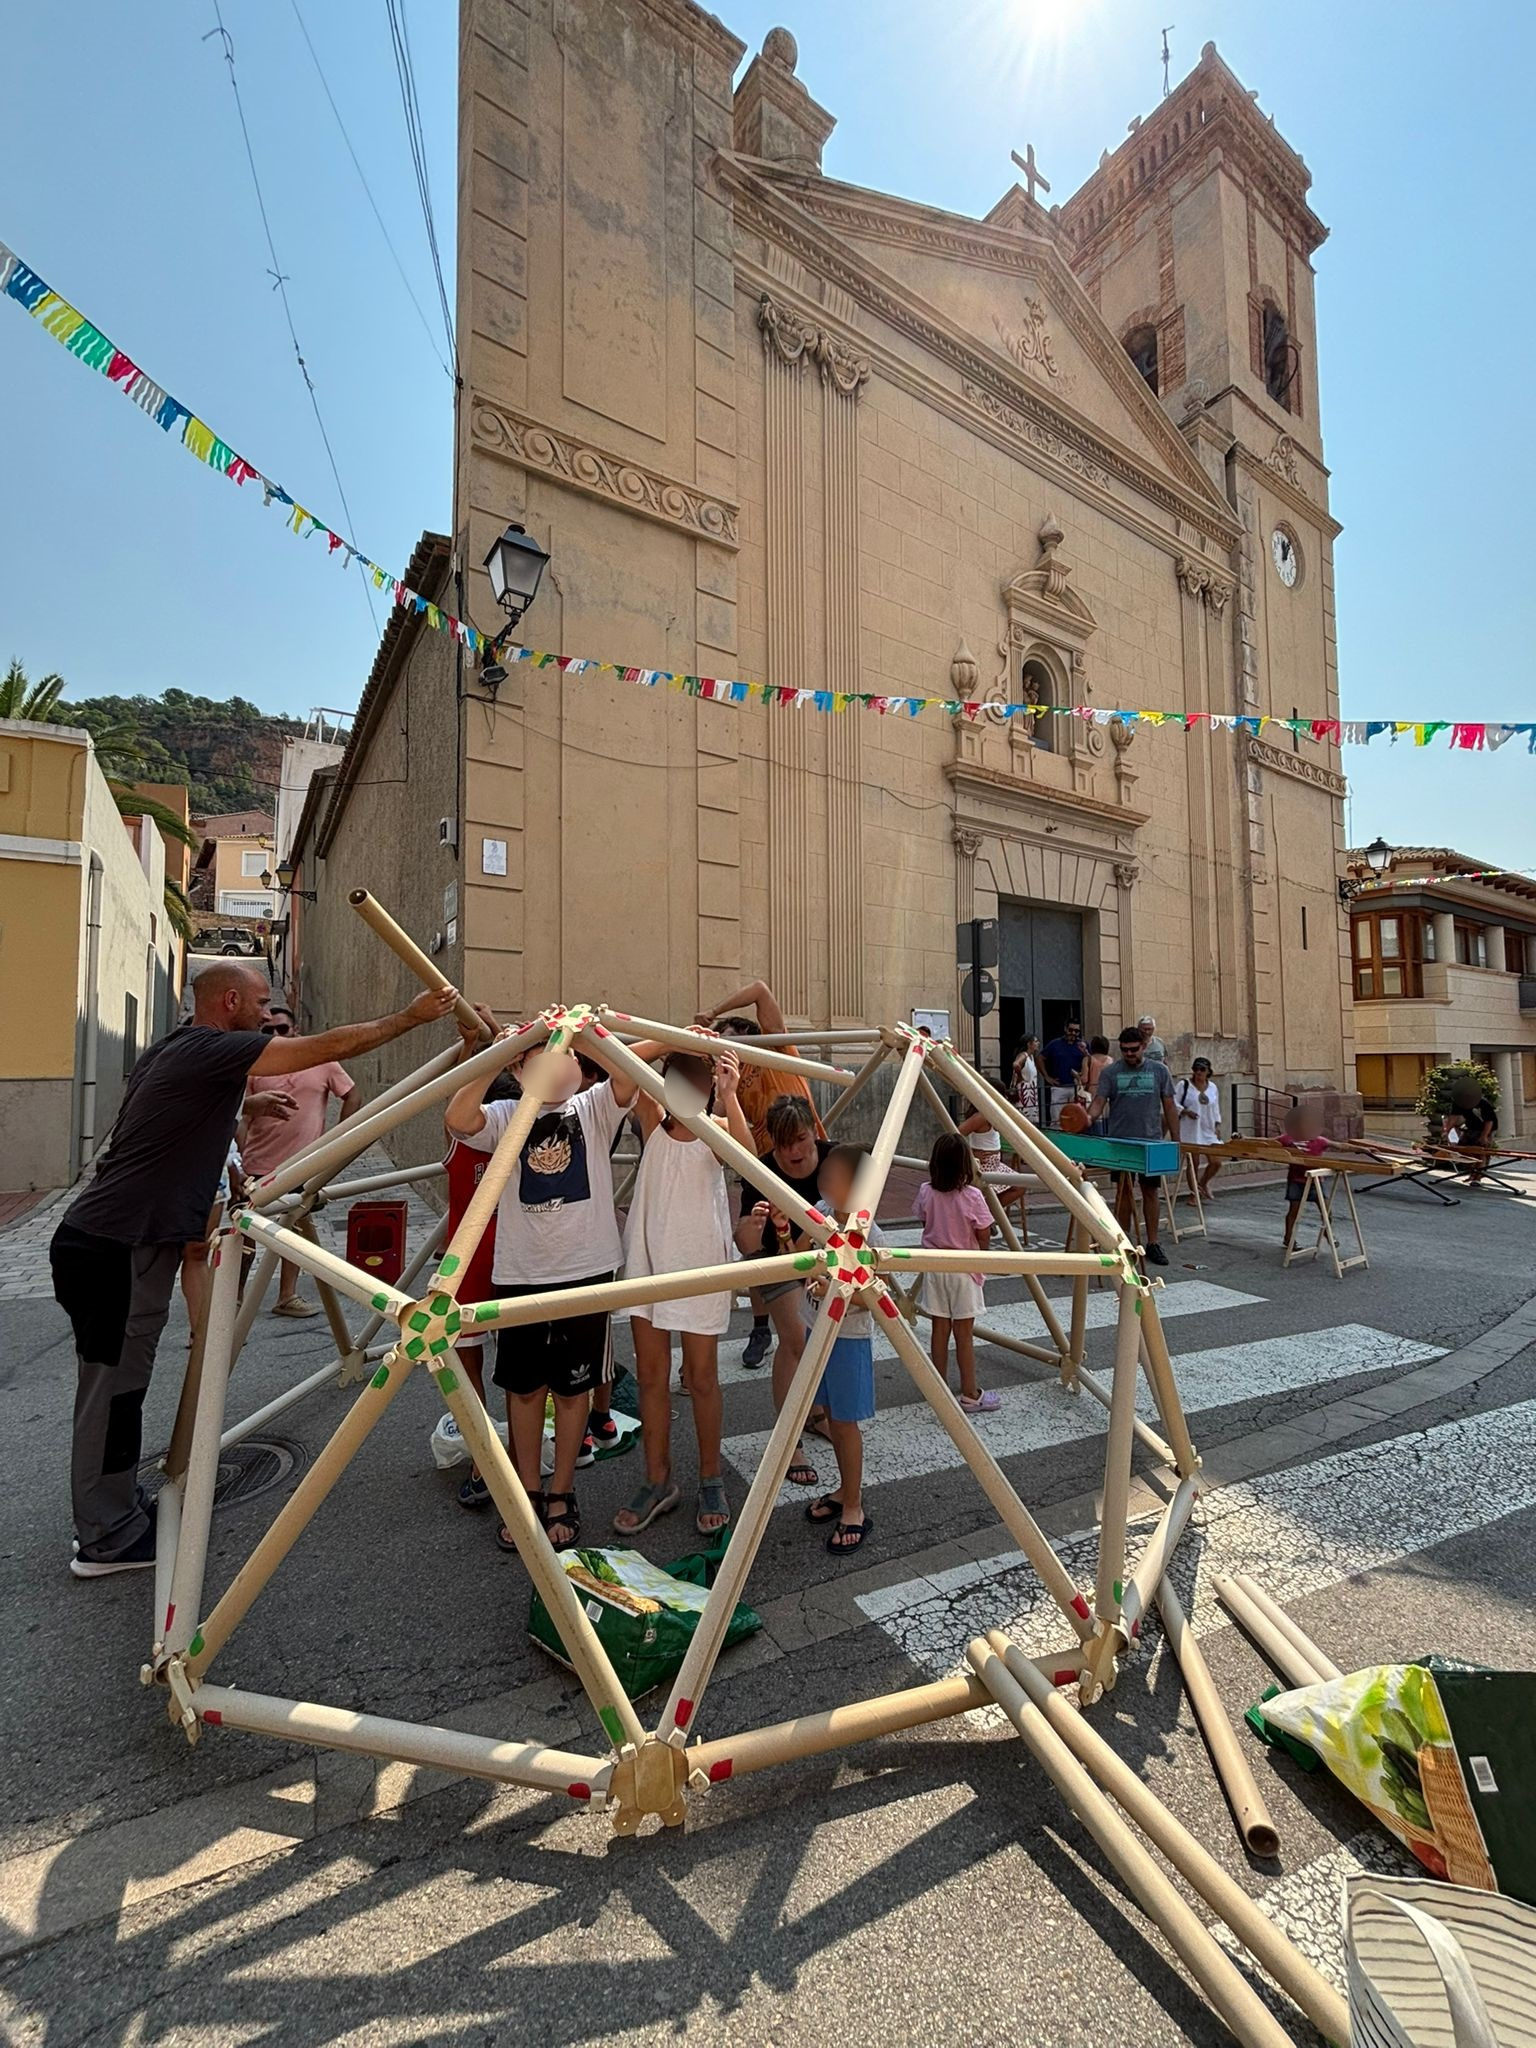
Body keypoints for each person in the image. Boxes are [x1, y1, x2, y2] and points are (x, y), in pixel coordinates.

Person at [51, 963, 459, 1577]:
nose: (268, 1015)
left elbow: (180, 1112)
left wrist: (248, 1105)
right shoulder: (213, 1048)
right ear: (230, 1001)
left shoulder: (177, 1049)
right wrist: (409, 1018)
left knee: (121, 1389)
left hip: (123, 1241)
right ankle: (105, 1538)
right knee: (111, 1394)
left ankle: (113, 1508)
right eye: (261, 1004)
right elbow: (327, 1046)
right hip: (117, 1246)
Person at [443, 1030, 640, 1554]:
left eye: (564, 1057)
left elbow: (627, 1077)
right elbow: (458, 1118)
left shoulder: (593, 1107)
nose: (554, 1067)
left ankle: (562, 1492)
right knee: (525, 1388)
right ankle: (526, 1492)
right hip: (521, 1271)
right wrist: (500, 1056)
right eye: (539, 1060)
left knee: (574, 1390)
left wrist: (584, 1035)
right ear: (519, 1069)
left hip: (587, 1268)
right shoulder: (507, 1114)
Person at [613, 1044, 753, 1538]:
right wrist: (664, 1040)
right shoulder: (651, 1119)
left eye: (697, 1082)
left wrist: (730, 1093)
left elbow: (749, 1161)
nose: (686, 1091)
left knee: (701, 1377)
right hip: (649, 1264)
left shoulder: (716, 1129)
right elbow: (620, 1062)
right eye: (677, 1080)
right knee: (652, 1376)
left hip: (700, 1269)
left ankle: (711, 1477)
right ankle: (658, 1478)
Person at [697, 977, 825, 1367]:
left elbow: (759, 990)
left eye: (732, 1043)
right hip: (766, 1167)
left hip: (808, 1160)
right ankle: (760, 1327)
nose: (727, 1052)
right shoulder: (728, 1080)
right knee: (760, 1245)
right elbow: (714, 1120)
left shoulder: (776, 1048)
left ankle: (820, 1310)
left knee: (815, 1238)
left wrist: (713, 1012)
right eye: (721, 1048)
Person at [733, 1094, 832, 1489]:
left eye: (802, 1140)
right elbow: (744, 1244)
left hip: (824, 1260)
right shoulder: (762, 1171)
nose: (794, 1151)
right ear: (773, 1141)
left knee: (824, 1340)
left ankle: (816, 1412)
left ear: (814, 1132)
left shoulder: (836, 1158)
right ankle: (788, 1440)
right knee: (796, 1338)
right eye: (784, 1143)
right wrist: (754, 1226)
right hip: (778, 1260)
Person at [441, 1013, 518, 1513]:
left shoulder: (510, 1130)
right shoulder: (477, 1130)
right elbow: (457, 1094)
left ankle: (489, 1456)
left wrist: (487, 1043)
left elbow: (457, 1091)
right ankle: (486, 1456)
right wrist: (487, 1040)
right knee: (488, 1364)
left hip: (491, 1260)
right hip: (481, 1260)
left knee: (489, 1366)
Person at [242, 1005, 362, 1317]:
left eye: (282, 1029)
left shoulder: (322, 1061)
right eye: (268, 1030)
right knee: (245, 1236)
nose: (275, 1035)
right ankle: (234, 1301)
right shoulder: (255, 1064)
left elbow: (352, 1095)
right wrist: (238, 1158)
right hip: (258, 1164)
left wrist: (337, 1140)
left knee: (294, 1232)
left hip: (302, 1166)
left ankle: (287, 1296)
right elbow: (242, 1113)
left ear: (295, 1030)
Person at [800, 1144, 881, 1555]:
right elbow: (800, 1255)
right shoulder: (821, 1212)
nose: (823, 1180)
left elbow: (878, 1297)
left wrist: (834, 1291)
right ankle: (845, 1489)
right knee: (832, 1417)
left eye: (834, 1175)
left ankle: (854, 1506)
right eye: (825, 1173)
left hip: (847, 1340)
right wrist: (785, 1230)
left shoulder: (869, 1234)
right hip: (817, 1329)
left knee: (845, 1424)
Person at [916, 1133, 998, 1414]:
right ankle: (970, 1393)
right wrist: (982, 1254)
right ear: (965, 1164)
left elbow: (924, 1219)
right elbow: (984, 1231)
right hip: (964, 1268)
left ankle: (938, 1388)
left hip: (935, 1267)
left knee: (939, 1329)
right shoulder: (972, 1196)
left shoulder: (926, 1191)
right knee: (964, 1334)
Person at [1085, 1025, 1179, 1267]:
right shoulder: (1111, 1072)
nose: (1129, 1054)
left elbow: (1169, 1106)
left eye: (1134, 1050)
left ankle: (1153, 1243)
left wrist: (1177, 1141)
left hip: (1151, 1141)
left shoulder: (1159, 1070)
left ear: (1144, 1046)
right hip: (1120, 1142)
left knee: (1151, 1191)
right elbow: (1099, 1102)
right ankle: (1123, 1242)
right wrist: (1086, 1118)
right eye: (1125, 1050)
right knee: (1123, 1192)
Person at [1280, 1097, 1328, 1248]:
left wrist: (1362, 1149)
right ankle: (1288, 1238)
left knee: (1327, 1211)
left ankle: (1327, 1232)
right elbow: (1268, 1142)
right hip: (1296, 1180)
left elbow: (1341, 1146)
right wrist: (1245, 1139)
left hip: (1316, 1181)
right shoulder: (1288, 1139)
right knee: (1294, 1211)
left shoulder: (1319, 1140)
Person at [1175, 1057, 1223, 1195]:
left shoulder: (1212, 1087)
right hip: (1191, 1129)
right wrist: (1185, 1111)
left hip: (1208, 1129)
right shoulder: (1184, 1085)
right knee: (1193, 1163)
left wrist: (1217, 1125)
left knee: (1216, 1162)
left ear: (1208, 1071)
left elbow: (1215, 1108)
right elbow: (1173, 1102)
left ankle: (1202, 1184)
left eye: (1202, 1069)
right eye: (1196, 1069)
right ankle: (1194, 1194)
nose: (1198, 1072)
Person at [1445, 1079, 1498, 1187]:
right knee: (1463, 1150)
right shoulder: (1458, 1103)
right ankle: (1472, 1173)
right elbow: (1453, 1118)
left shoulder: (1482, 1103)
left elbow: (1489, 1121)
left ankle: (1477, 1177)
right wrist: (1446, 1131)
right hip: (1471, 1127)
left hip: (1485, 1128)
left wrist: (1484, 1136)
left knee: (1480, 1152)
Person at [1040, 1020, 1087, 1127]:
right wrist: (1047, 1077)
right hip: (1059, 1088)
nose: (1073, 1033)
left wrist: (1086, 1053)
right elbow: (1040, 1058)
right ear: (1065, 1029)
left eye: (1076, 1031)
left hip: (1077, 1088)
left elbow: (1090, 1061)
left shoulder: (1082, 1045)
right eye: (1071, 1030)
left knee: (1076, 1122)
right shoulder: (1055, 1044)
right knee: (1057, 1121)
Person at [1009, 1034, 1042, 1127]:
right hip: (1024, 1091)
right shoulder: (1024, 1055)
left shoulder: (1031, 1057)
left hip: (1031, 1091)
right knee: (1024, 1119)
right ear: (1029, 1044)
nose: (1038, 1043)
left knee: (1031, 1119)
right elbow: (1016, 1064)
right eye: (1035, 1041)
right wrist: (1020, 1076)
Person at [1084, 1035, 1113, 1135]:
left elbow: (1084, 1079)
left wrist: (1076, 1076)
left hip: (1092, 1095)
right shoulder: (1110, 1060)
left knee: (1094, 1126)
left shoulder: (1088, 1059)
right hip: (1107, 1095)